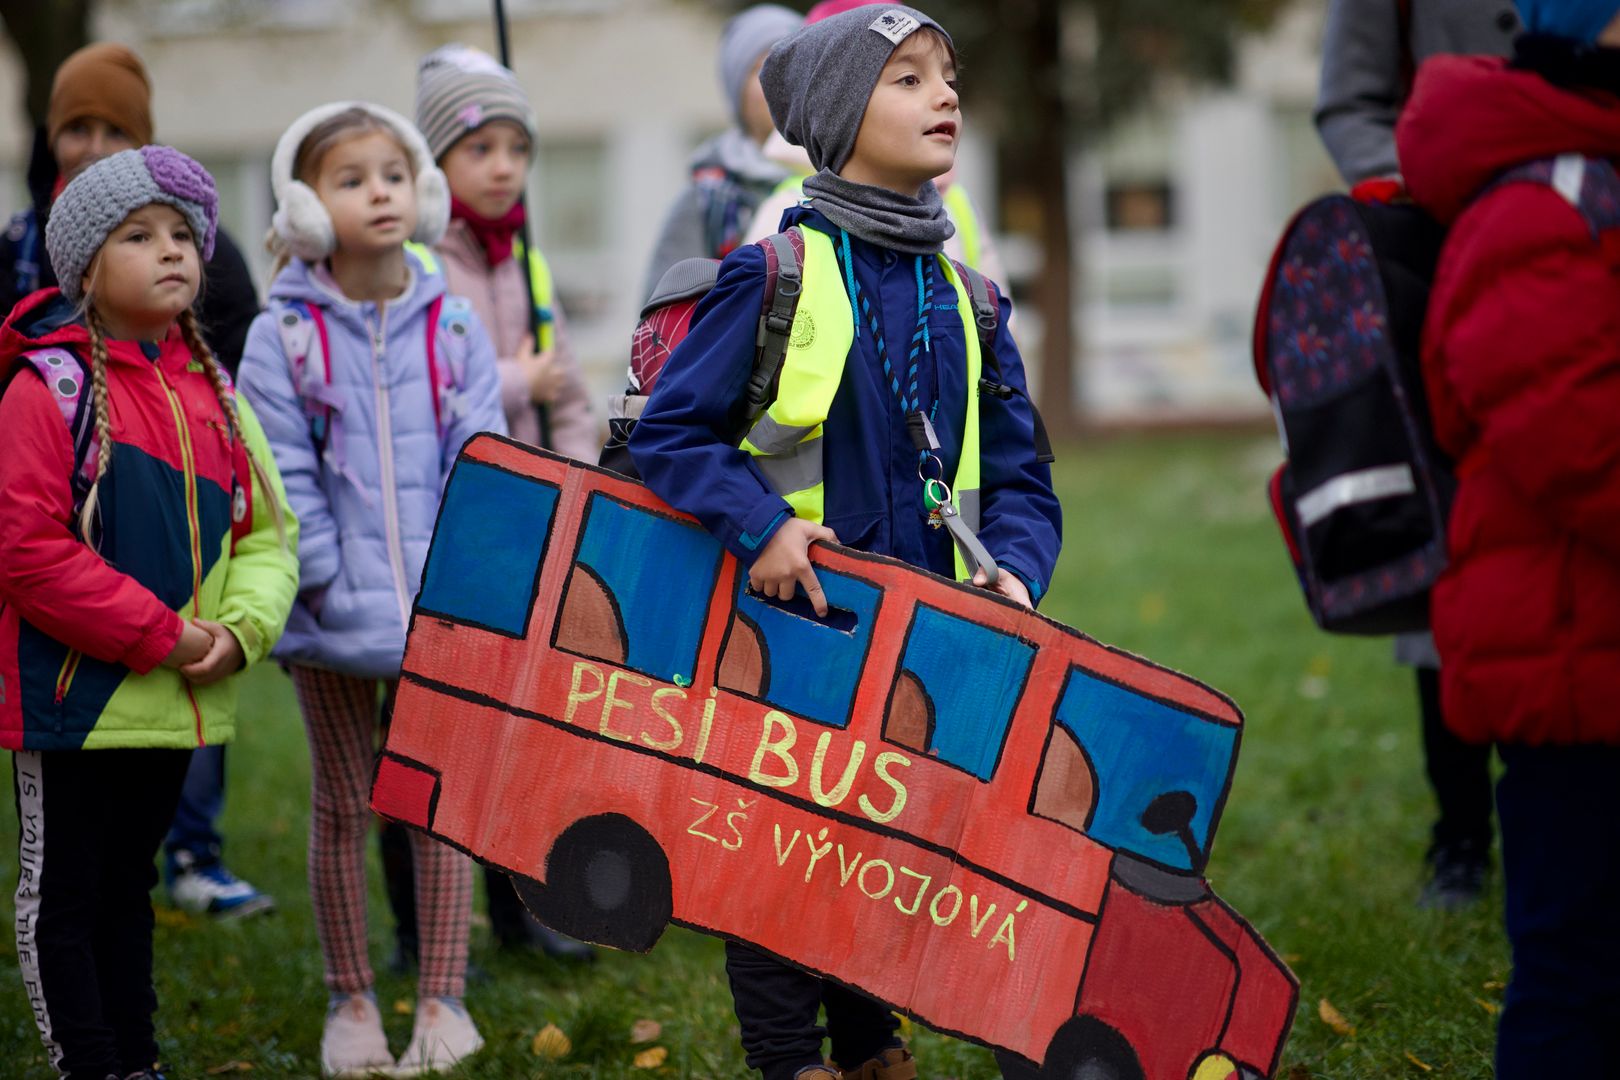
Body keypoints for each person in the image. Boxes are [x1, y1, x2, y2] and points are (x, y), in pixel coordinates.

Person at [630, 8, 1061, 1080]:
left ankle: (873, 1049)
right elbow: (672, 434)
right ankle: (792, 1062)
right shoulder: (771, 273)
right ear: (835, 116)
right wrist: (764, 523)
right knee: (779, 856)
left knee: (884, 849)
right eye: (910, 80)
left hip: (927, 632)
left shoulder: (970, 297)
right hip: (790, 634)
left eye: (948, 77)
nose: (946, 97)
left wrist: (1014, 565)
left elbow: (1021, 476)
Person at [0, 147, 297, 1080]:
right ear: (86, 265)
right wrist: (167, 636)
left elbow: (268, 535)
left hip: (176, 704)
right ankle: (89, 1062)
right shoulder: (46, 388)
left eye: (182, 235)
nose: (171, 251)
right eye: (139, 236)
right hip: (74, 704)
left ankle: (137, 1059)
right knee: (68, 900)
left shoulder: (212, 395)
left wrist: (240, 632)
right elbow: (28, 549)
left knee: (131, 890)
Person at [236, 102, 505, 1077]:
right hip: (331, 607)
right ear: (306, 209)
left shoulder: (457, 322)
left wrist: (468, 583)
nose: (380, 191)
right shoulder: (283, 339)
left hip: (444, 609)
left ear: (423, 193)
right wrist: (320, 582)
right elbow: (280, 473)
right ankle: (351, 1002)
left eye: (393, 173)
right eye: (350, 179)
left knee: (435, 805)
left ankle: (443, 999)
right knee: (346, 805)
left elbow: (482, 455)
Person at [1396, 1, 1620, 1073]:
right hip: (1569, 666)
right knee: (1574, 965)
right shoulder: (1544, 198)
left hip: (1589, 643)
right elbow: (1575, 438)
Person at [376, 41, 595, 965]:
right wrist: (516, 378)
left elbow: (572, 395)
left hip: (530, 523)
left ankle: (520, 911)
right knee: (421, 728)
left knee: (516, 729)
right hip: (446, 524)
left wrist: (577, 477)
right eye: (480, 149)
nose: (504, 167)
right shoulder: (413, 261)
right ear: (437, 165)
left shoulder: (528, 262)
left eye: (517, 148)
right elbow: (421, 384)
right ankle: (415, 925)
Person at [1313, 0, 1521, 908]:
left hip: (1588, 262)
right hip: (1438, 273)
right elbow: (1349, 104)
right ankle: (1462, 836)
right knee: (1448, 561)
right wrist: (1424, 185)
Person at [641, 4, 804, 299]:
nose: (781, 81)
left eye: (793, 65)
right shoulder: (706, 201)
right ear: (736, 90)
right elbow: (665, 325)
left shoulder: (846, 175)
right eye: (761, 69)